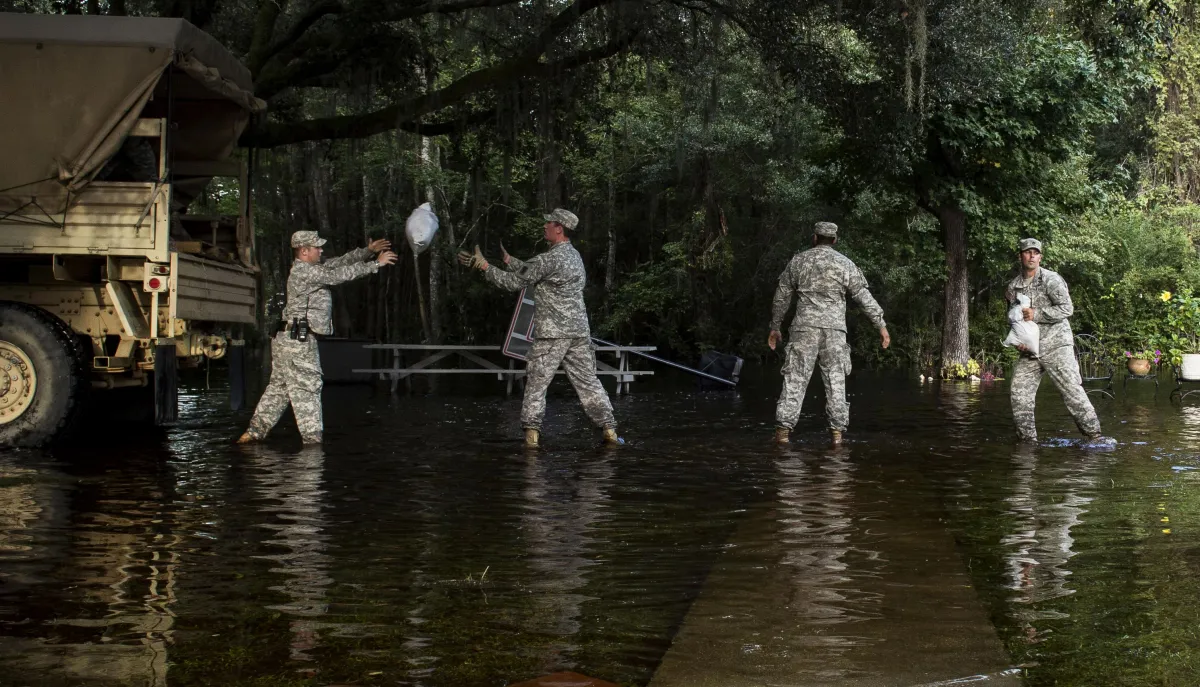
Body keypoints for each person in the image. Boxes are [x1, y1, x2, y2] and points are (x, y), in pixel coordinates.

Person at [458, 208, 620, 448]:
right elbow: (536, 273)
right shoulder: (574, 257)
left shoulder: (548, 258)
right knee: (589, 384)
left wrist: (483, 267)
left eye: (549, 223)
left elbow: (514, 283)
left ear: (559, 228)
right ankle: (610, 431)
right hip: (578, 334)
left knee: (536, 385)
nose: (544, 226)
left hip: (552, 336)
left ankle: (531, 440)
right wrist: (510, 261)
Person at [238, 231, 397, 444]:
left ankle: (253, 434)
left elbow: (340, 263)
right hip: (298, 342)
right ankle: (312, 446)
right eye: (317, 247)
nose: (321, 250)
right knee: (309, 388)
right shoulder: (305, 272)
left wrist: (367, 252)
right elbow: (338, 275)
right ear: (304, 251)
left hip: (289, 340)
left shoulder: (312, 268)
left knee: (279, 390)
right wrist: (375, 264)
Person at [768, 221, 889, 446]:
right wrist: (880, 325)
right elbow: (863, 297)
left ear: (815, 238)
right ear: (834, 240)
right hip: (834, 332)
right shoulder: (845, 264)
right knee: (836, 383)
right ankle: (837, 438)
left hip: (804, 330)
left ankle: (782, 436)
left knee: (795, 380)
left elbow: (782, 296)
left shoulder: (798, 261)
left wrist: (775, 326)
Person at [1006, 238, 1111, 445]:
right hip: (1030, 350)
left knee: (1071, 389)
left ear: (1040, 257)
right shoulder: (1013, 287)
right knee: (1018, 392)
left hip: (1056, 344)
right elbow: (1012, 318)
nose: (1032, 256)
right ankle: (1028, 442)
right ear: (1021, 256)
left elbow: (1066, 308)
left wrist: (1036, 314)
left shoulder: (1051, 279)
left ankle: (1095, 436)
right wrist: (1018, 341)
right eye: (1028, 252)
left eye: (1036, 252)